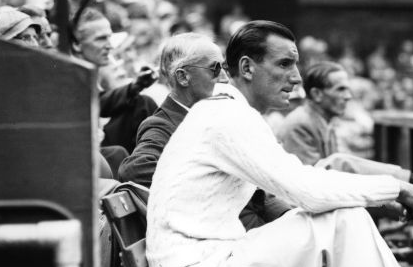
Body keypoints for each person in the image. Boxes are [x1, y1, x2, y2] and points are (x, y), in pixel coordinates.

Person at [147, 20, 413, 267]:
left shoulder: (227, 111)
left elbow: (301, 179)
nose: (298, 77)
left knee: (345, 218)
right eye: (285, 64)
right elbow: (306, 190)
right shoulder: (226, 116)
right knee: (343, 221)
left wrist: (382, 193)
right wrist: (395, 187)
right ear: (246, 68)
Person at [118, 32, 290, 229]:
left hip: (256, 231)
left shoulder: (217, 115)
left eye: (224, 67)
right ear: (183, 77)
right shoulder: (162, 125)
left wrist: (287, 215)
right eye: (214, 69)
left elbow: (259, 182)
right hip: (228, 242)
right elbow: (134, 170)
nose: (225, 78)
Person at [278, 61, 413, 204]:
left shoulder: (321, 120)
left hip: (315, 199)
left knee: (341, 164)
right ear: (317, 94)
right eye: (340, 89)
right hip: (299, 207)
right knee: (340, 163)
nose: (348, 96)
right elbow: (313, 187)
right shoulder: (300, 124)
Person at [72, 7, 157, 165]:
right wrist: (133, 87)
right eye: (100, 39)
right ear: (77, 44)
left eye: (108, 38)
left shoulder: (90, 71)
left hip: (97, 144)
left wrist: (135, 86)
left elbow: (100, 101)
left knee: (142, 103)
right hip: (79, 153)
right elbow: (98, 103)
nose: (109, 46)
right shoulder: (68, 72)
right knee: (117, 153)